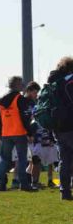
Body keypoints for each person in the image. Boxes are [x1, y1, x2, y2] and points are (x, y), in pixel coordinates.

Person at [0, 76, 35, 192]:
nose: (23, 85)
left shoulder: (1, 100)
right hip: (19, 133)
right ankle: (24, 185)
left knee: (4, 159)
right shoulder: (19, 98)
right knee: (22, 160)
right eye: (21, 83)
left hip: (6, 134)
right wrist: (30, 132)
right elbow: (25, 117)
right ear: (16, 85)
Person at [45, 57, 73, 200]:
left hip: (57, 127)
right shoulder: (69, 82)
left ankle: (64, 192)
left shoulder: (53, 83)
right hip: (70, 124)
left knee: (64, 160)